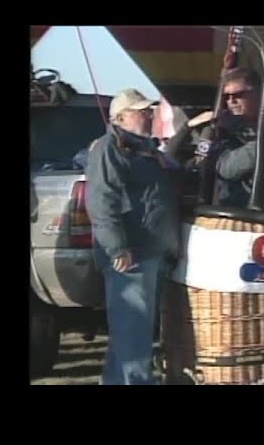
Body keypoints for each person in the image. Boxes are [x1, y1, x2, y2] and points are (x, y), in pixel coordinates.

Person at [85, 89, 181, 385]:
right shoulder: (108, 148)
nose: (149, 115)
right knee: (134, 338)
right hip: (132, 254)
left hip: (149, 251)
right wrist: (117, 248)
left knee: (129, 338)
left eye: (150, 110)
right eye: (142, 111)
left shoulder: (145, 150)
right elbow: (102, 201)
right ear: (121, 117)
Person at [212, 67, 264, 215]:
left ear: (260, 93)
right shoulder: (221, 128)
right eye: (227, 97)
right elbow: (226, 168)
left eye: (238, 95)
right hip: (241, 219)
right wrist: (262, 144)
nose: (231, 101)